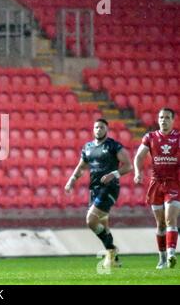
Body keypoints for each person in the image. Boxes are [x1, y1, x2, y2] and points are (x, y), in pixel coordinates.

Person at [65, 118, 132, 268]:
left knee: (91, 220)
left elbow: (128, 166)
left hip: (109, 187)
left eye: (101, 127)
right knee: (103, 225)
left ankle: (112, 250)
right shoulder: (88, 147)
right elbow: (81, 167)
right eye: (96, 127)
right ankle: (113, 259)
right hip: (94, 189)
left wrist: (113, 174)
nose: (98, 130)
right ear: (93, 129)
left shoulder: (113, 146)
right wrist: (71, 181)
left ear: (106, 129)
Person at [134, 108, 179, 269]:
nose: (164, 120)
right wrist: (138, 172)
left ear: (173, 120)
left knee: (170, 219)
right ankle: (162, 258)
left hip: (174, 183)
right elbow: (139, 156)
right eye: (161, 117)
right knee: (160, 224)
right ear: (158, 119)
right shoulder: (150, 137)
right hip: (156, 185)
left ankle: (172, 253)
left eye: (167, 118)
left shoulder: (178, 138)